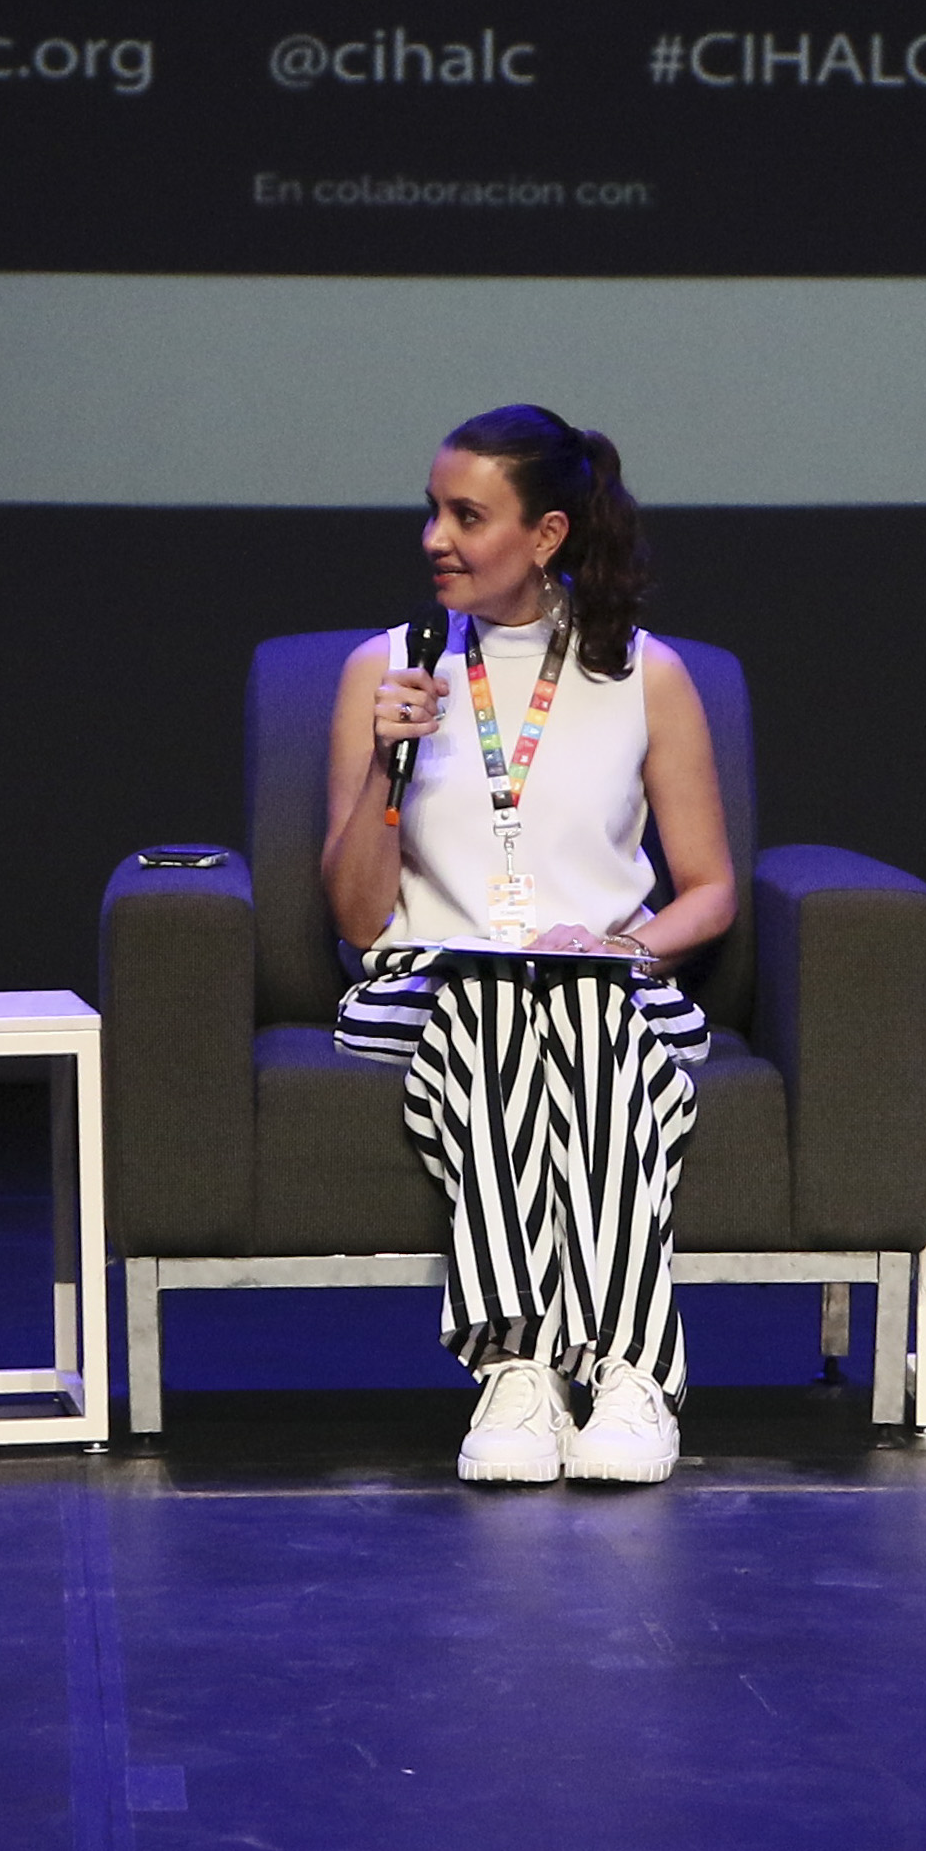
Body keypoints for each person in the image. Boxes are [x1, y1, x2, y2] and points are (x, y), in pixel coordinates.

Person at [322, 404, 736, 1489]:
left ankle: (592, 1376)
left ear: (547, 534)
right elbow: (358, 919)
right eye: (433, 512)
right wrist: (386, 767)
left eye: (468, 517)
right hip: (431, 987)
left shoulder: (646, 675)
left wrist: (619, 947)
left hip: (606, 987)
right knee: (492, 1000)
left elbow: (709, 891)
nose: (436, 539)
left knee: (575, 1012)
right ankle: (537, 1370)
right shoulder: (385, 668)